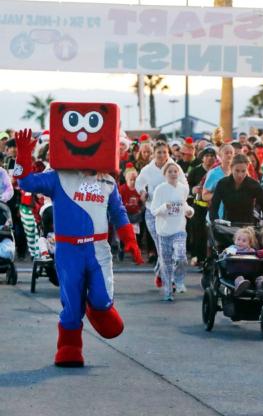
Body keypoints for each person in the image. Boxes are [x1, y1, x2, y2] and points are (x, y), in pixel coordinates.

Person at [14, 102, 143, 368]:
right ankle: (70, 346)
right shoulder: (57, 176)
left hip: (98, 250)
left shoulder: (107, 180)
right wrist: (22, 158)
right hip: (68, 250)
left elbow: (118, 212)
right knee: (71, 302)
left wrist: (129, 239)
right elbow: (26, 182)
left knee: (101, 299)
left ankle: (98, 308)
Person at [135, 141, 187, 286]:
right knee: (161, 246)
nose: (162, 155)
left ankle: (161, 272)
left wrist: (180, 199)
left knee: (169, 247)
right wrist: (143, 192)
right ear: (154, 153)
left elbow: (184, 184)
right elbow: (138, 183)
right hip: (153, 212)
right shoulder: (148, 169)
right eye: (159, 152)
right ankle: (168, 277)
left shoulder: (174, 167)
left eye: (165, 152)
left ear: (168, 153)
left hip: (172, 213)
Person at [150, 162, 194, 301]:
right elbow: (154, 210)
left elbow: (184, 204)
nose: (173, 174)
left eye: (175, 171)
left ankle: (179, 281)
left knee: (181, 256)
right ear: (165, 174)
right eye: (170, 172)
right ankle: (168, 291)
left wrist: (189, 211)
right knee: (166, 263)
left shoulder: (183, 189)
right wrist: (164, 207)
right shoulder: (160, 189)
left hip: (179, 229)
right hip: (163, 231)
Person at [210, 154, 263, 225]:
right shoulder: (222, 183)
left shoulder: (254, 185)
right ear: (231, 168)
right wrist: (215, 220)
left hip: (248, 225)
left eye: (243, 171)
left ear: (247, 169)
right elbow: (214, 205)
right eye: (237, 171)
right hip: (227, 224)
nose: (240, 175)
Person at [187, 145, 217, 267]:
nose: (209, 158)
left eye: (212, 156)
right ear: (202, 158)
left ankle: (210, 258)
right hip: (198, 206)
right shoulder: (195, 171)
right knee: (197, 232)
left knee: (211, 233)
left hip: (213, 206)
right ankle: (197, 256)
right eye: (207, 156)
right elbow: (186, 187)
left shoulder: (217, 171)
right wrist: (192, 190)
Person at [224, 227, 263, 296]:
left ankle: (261, 283)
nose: (240, 242)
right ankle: (240, 285)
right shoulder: (233, 248)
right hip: (236, 271)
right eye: (238, 239)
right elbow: (226, 254)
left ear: (249, 243)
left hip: (249, 272)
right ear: (234, 240)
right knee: (238, 277)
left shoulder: (250, 250)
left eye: (244, 241)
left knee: (257, 276)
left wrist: (254, 253)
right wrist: (228, 253)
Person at [202, 143, 234, 219]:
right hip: (216, 217)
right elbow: (204, 196)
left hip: (232, 217)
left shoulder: (236, 172)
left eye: (231, 153)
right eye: (226, 153)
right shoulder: (213, 173)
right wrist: (220, 194)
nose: (229, 155)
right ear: (219, 155)